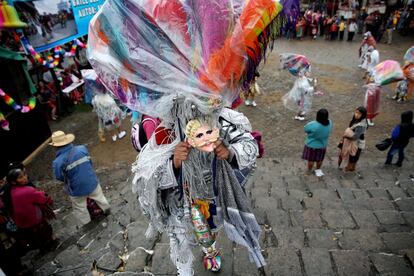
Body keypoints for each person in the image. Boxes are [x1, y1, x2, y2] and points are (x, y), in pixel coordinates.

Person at [51, 131, 111, 226]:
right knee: (100, 197)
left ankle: (86, 226)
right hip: (92, 182)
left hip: (76, 190)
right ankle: (107, 210)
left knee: (80, 208)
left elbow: (60, 177)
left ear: (55, 146)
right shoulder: (82, 149)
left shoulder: (57, 162)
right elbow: (89, 163)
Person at [2, 168, 57, 252]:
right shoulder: (27, 190)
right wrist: (42, 193)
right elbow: (44, 199)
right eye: (20, 177)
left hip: (24, 225)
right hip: (36, 223)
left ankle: (43, 249)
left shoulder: (9, 192)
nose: (25, 177)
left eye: (24, 174)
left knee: (39, 241)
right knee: (46, 237)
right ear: (13, 182)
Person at [302, 109, 333, 177]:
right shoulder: (330, 123)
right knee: (320, 159)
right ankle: (318, 169)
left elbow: (305, 129)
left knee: (311, 160)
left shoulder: (313, 124)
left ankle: (309, 170)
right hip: (322, 145)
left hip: (311, 145)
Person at [338, 107, 368, 172]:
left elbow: (355, 137)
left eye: (359, 113)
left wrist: (346, 136)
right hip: (350, 141)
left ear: (363, 115)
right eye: (356, 112)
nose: (356, 114)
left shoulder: (361, 125)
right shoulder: (356, 120)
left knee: (353, 157)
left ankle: (350, 168)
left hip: (356, 143)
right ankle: (347, 167)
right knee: (348, 155)